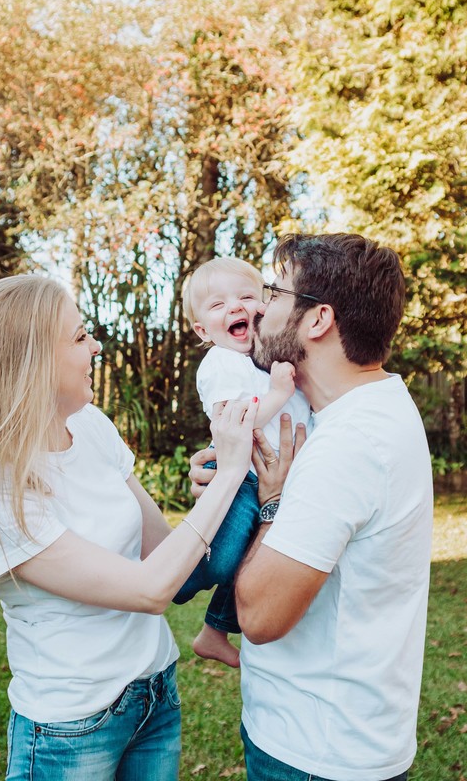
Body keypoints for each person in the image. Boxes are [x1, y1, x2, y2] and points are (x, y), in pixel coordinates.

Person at [0, 275, 261, 781]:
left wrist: (234, 494)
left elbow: (170, 558)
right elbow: (150, 589)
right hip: (72, 726)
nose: (95, 345)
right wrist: (229, 474)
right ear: (29, 362)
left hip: (154, 693)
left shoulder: (91, 425)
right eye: (78, 337)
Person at [191, 233, 434, 781]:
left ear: (317, 320)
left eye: (273, 294)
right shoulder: (373, 409)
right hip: (342, 730)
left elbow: (260, 617)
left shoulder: (346, 446)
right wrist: (230, 478)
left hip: (316, 749)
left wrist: (270, 500)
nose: (258, 309)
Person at [174, 257, 313, 667]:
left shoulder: (266, 361)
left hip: (265, 481)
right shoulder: (221, 362)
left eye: (246, 297)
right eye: (217, 306)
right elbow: (233, 424)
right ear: (203, 330)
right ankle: (169, 582)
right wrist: (278, 394)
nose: (234, 308)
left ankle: (213, 631)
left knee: (254, 560)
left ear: (265, 307)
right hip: (238, 479)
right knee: (225, 561)